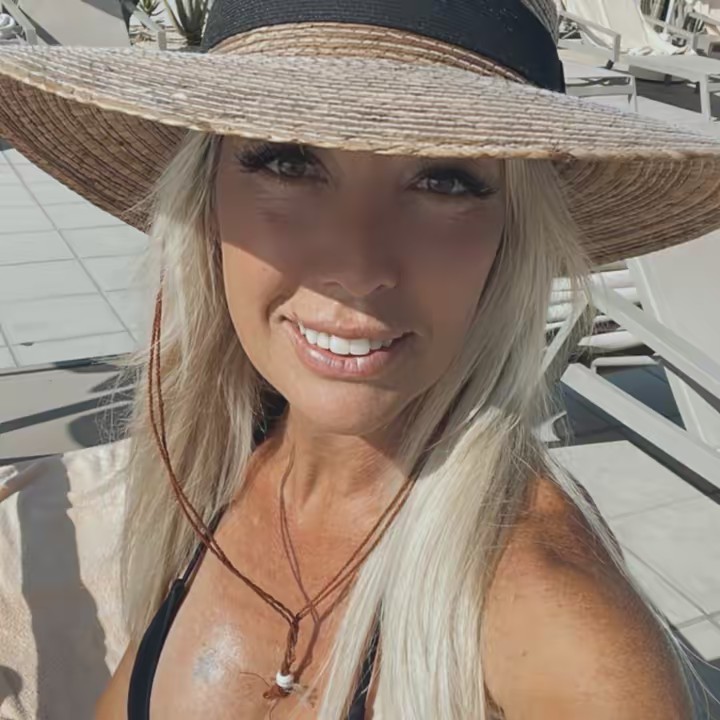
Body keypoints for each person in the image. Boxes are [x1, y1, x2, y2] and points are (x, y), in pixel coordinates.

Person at [1, 0, 719, 718]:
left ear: (513, 236)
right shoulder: (218, 467)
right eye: (289, 160)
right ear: (203, 199)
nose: (358, 267)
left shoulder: (560, 629)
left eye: (444, 179)